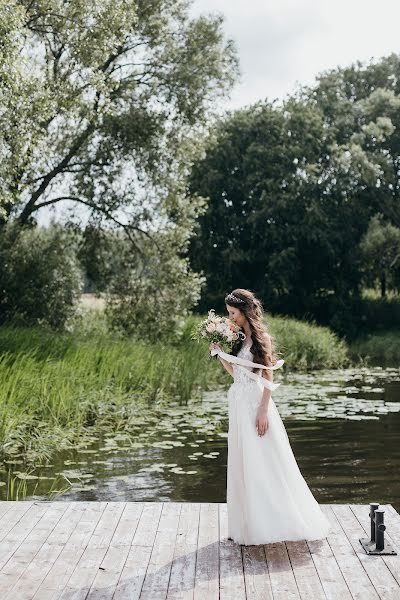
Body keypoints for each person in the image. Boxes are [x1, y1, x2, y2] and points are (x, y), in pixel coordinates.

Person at [209, 288, 332, 546]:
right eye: (229, 313)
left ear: (244, 312)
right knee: (243, 461)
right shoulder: (240, 339)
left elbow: (267, 376)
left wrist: (263, 411)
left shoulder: (260, 338)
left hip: (255, 405)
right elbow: (238, 374)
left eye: (233, 313)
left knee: (262, 460)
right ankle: (246, 526)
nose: (230, 318)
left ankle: (272, 522)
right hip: (239, 404)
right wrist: (220, 354)